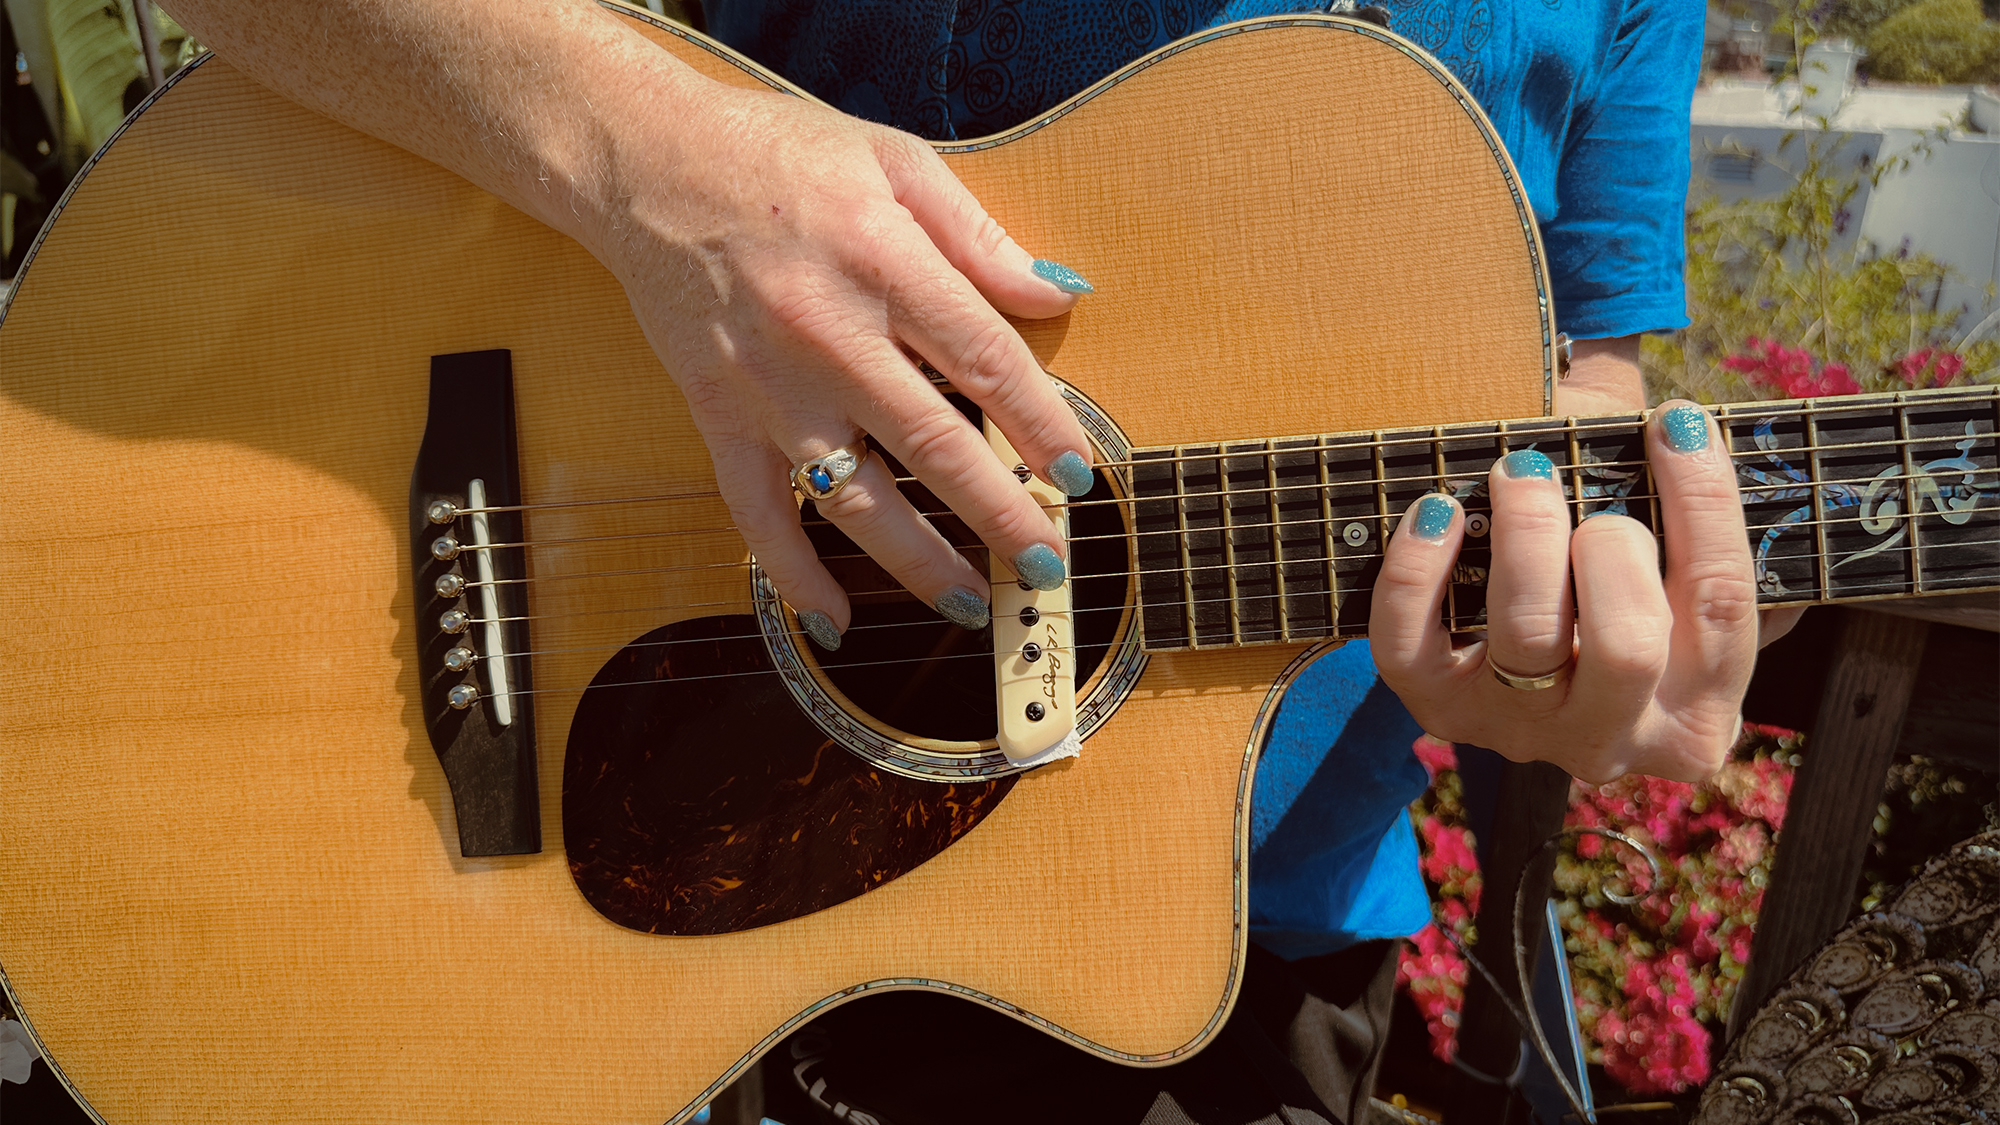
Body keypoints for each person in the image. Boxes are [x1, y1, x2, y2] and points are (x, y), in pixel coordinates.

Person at [159, 1, 1782, 1121]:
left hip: (1218, 935)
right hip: (609, 828)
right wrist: (663, 172)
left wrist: (1590, 631)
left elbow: (1589, 371)